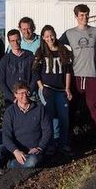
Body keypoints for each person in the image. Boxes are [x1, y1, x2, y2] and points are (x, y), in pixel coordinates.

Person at [61, 4, 96, 131]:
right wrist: (67, 56)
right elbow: (58, 46)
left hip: (92, 75)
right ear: (76, 16)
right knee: (72, 108)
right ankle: (69, 140)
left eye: (86, 15)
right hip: (76, 75)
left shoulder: (95, 31)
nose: (85, 17)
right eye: (81, 15)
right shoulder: (69, 33)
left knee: (94, 107)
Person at [0, 82, 52, 172]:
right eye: (21, 93)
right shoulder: (10, 111)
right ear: (15, 95)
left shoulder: (39, 108)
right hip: (15, 148)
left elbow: (48, 131)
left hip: (33, 150)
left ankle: (11, 165)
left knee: (32, 161)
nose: (25, 95)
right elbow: (6, 135)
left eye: (26, 92)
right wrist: (15, 151)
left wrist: (40, 147)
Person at [33, 25, 73, 154]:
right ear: (43, 38)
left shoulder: (63, 50)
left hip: (61, 90)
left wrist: (67, 88)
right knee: (48, 118)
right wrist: (41, 87)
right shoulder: (41, 52)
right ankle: (49, 144)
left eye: (51, 35)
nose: (50, 38)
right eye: (47, 36)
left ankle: (63, 144)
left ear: (55, 35)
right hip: (47, 89)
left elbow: (68, 71)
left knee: (64, 117)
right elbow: (35, 71)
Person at [0, 29, 36, 105]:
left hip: (29, 96)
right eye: (12, 41)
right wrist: (12, 97)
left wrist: (29, 91)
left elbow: (35, 75)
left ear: (20, 39)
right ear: (9, 42)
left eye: (17, 40)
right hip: (11, 99)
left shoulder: (30, 56)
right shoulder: (5, 60)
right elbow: (1, 82)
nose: (15, 43)